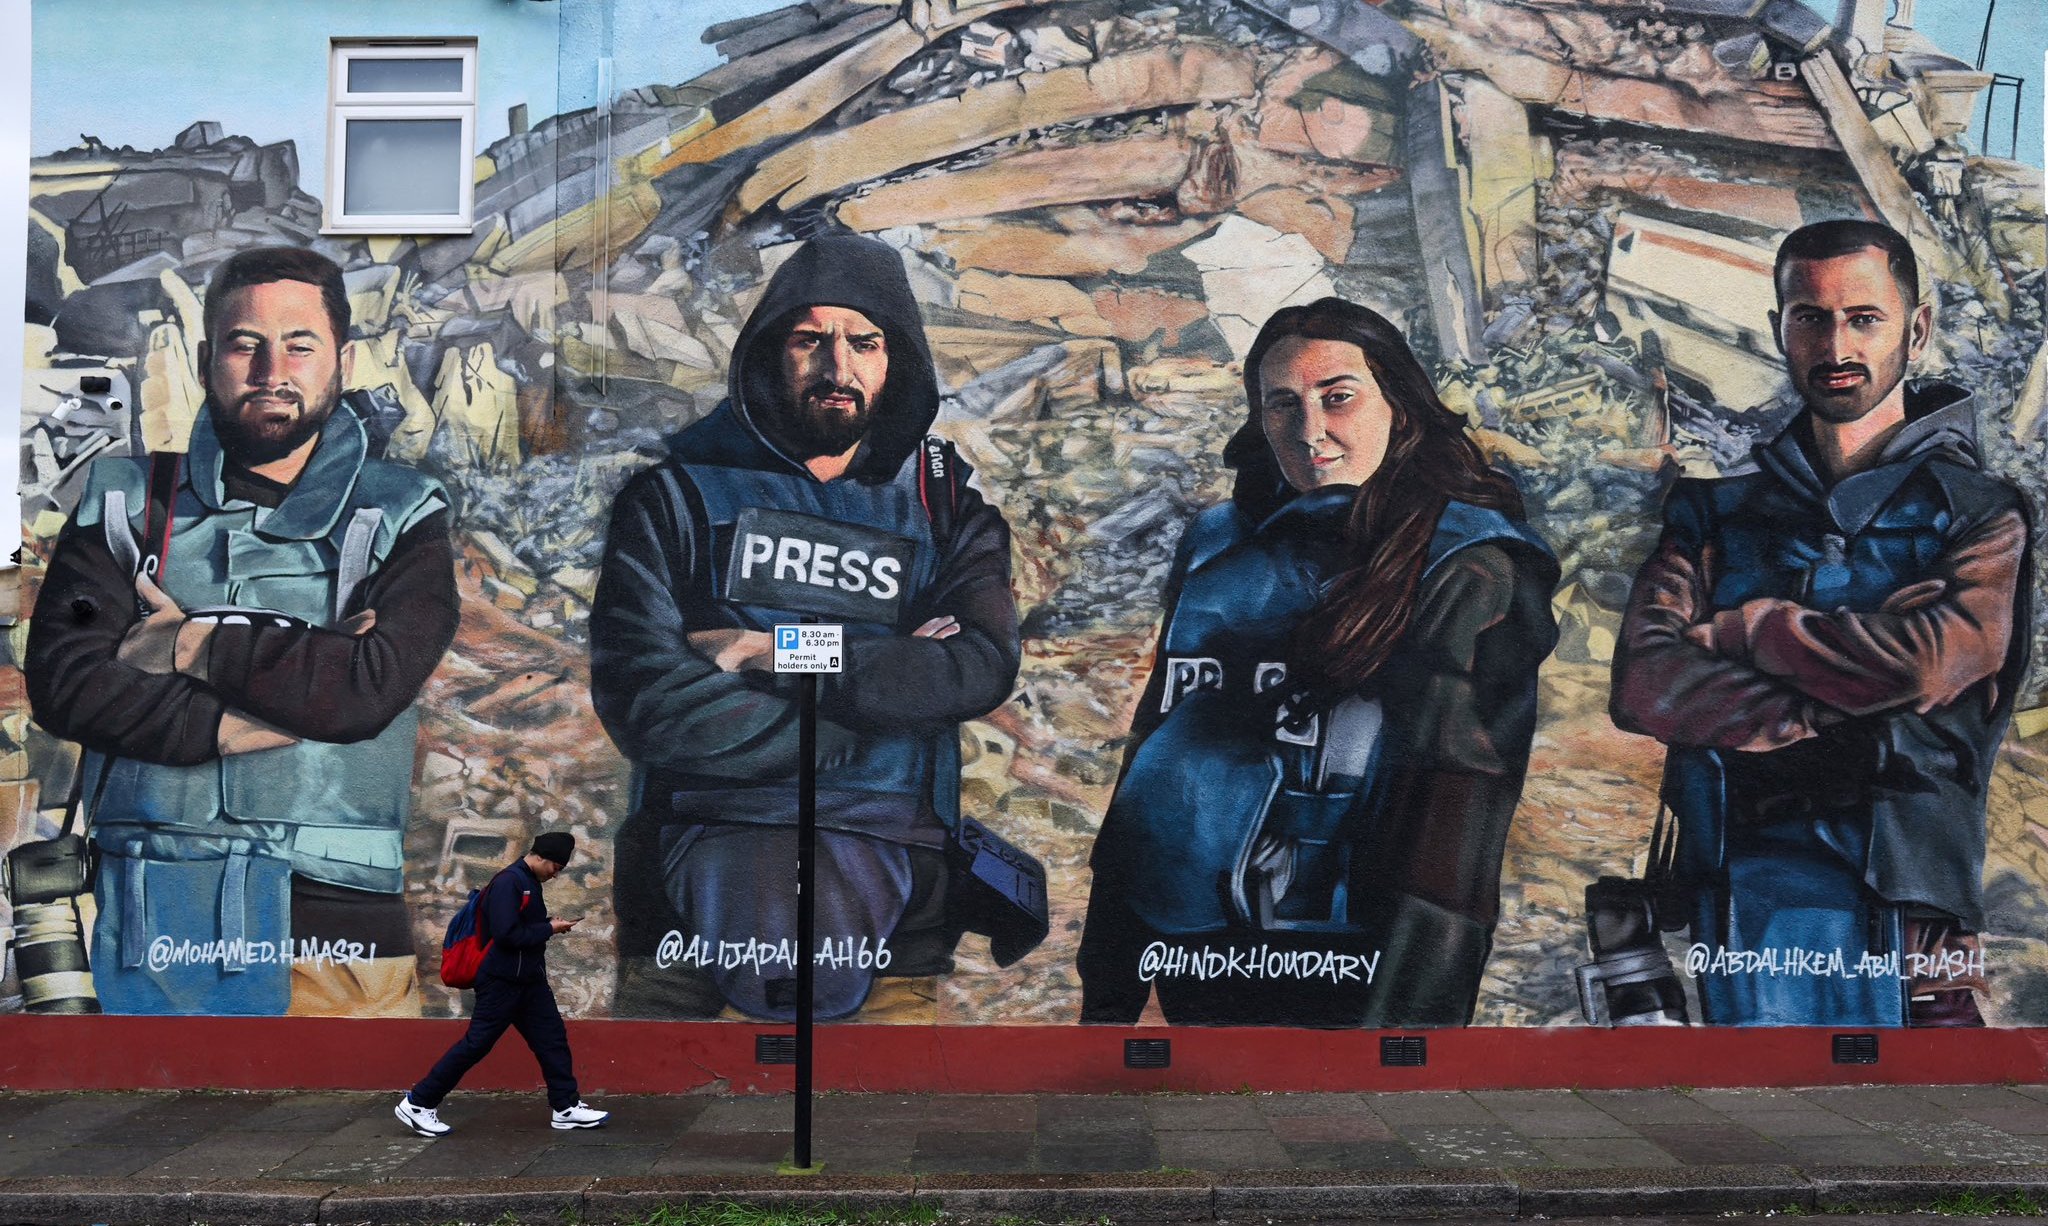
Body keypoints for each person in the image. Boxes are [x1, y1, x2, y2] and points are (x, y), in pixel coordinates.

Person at [1078, 297, 1559, 1027]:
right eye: (1282, 405)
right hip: (1199, 953)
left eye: (1338, 397)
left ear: (1399, 402)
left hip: (1355, 965)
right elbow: (1154, 759)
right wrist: (1109, 976)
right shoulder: (1217, 545)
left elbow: (1453, 833)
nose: (1310, 432)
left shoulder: (1471, 564)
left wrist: (1404, 1031)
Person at [1608, 219, 2032, 1027]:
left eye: (1863, 318)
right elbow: (1643, 681)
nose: (1836, 344)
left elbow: (1928, 661)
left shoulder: (1981, 515)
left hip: (1906, 897)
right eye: (1810, 317)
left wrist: (1743, 632)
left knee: (1917, 1137)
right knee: (1756, 1121)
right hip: (1740, 882)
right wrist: (1832, 703)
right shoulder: (1714, 510)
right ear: (1779, 329)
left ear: (1918, 328)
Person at [589, 234, 1021, 1022]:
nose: (838, 366)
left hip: (900, 906)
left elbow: (977, 666)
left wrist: (773, 650)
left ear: (898, 362)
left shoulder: (947, 510)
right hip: (687, 907)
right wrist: (877, 718)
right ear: (769, 353)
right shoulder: (674, 499)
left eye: (864, 342)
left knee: (877, 1134)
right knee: (661, 1127)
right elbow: (649, 699)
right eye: (809, 339)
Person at [24, 246, 459, 1017]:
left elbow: (365, 689)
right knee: (146, 1131)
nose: (271, 370)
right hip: (149, 915)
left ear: (343, 360)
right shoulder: (125, 503)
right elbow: (68, 684)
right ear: (204, 360)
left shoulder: (404, 513)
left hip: (339, 928)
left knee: (346, 1133)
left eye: (300, 344)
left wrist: (187, 644)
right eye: (244, 344)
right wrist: (232, 722)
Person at [397, 832, 609, 1135]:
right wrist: (549, 927)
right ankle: (418, 1103)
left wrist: (547, 925)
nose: (557, 873)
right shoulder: (509, 882)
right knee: (476, 1044)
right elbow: (507, 933)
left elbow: (520, 928)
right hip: (502, 982)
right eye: (556, 866)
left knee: (552, 1039)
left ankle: (565, 1108)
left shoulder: (528, 882)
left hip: (528, 981)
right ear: (542, 857)